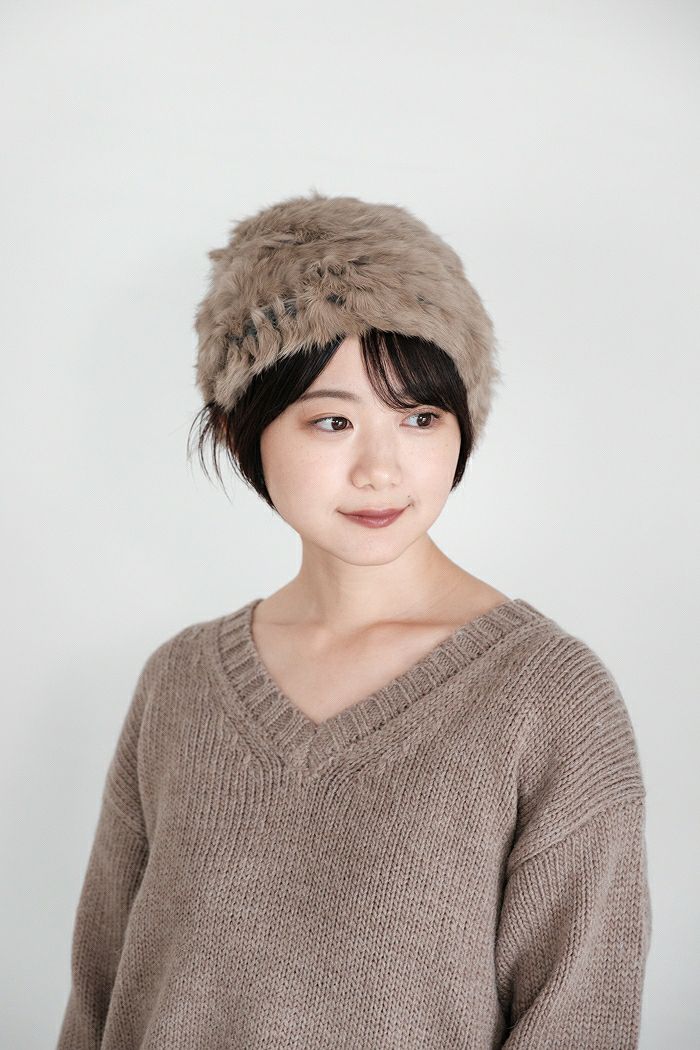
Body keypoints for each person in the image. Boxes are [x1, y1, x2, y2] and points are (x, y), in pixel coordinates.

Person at [56, 192, 652, 1049]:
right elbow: (100, 997)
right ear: (239, 429)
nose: (381, 468)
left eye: (420, 417)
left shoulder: (548, 695)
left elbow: (579, 1018)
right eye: (332, 420)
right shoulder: (179, 681)